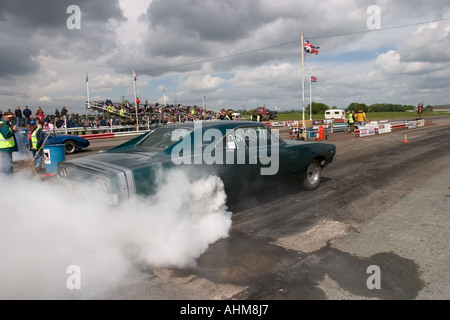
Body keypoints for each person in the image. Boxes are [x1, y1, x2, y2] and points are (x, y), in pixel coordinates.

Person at [0, 112, 18, 176]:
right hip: (5, 147)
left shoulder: (6, 124)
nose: (10, 119)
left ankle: (5, 178)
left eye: (11, 117)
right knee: (8, 164)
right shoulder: (3, 125)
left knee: (5, 164)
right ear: (4, 117)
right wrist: (13, 130)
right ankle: (9, 179)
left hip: (6, 147)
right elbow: (7, 135)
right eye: (9, 117)